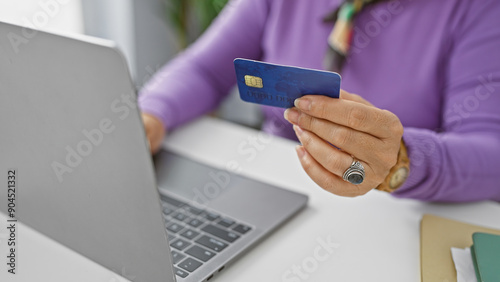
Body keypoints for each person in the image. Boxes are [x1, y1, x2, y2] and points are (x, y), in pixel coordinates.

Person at [139, 0, 500, 202]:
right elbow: (205, 69)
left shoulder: (477, 10)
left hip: (392, 208)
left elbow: (490, 150)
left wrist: (399, 161)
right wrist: (151, 115)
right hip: (273, 192)